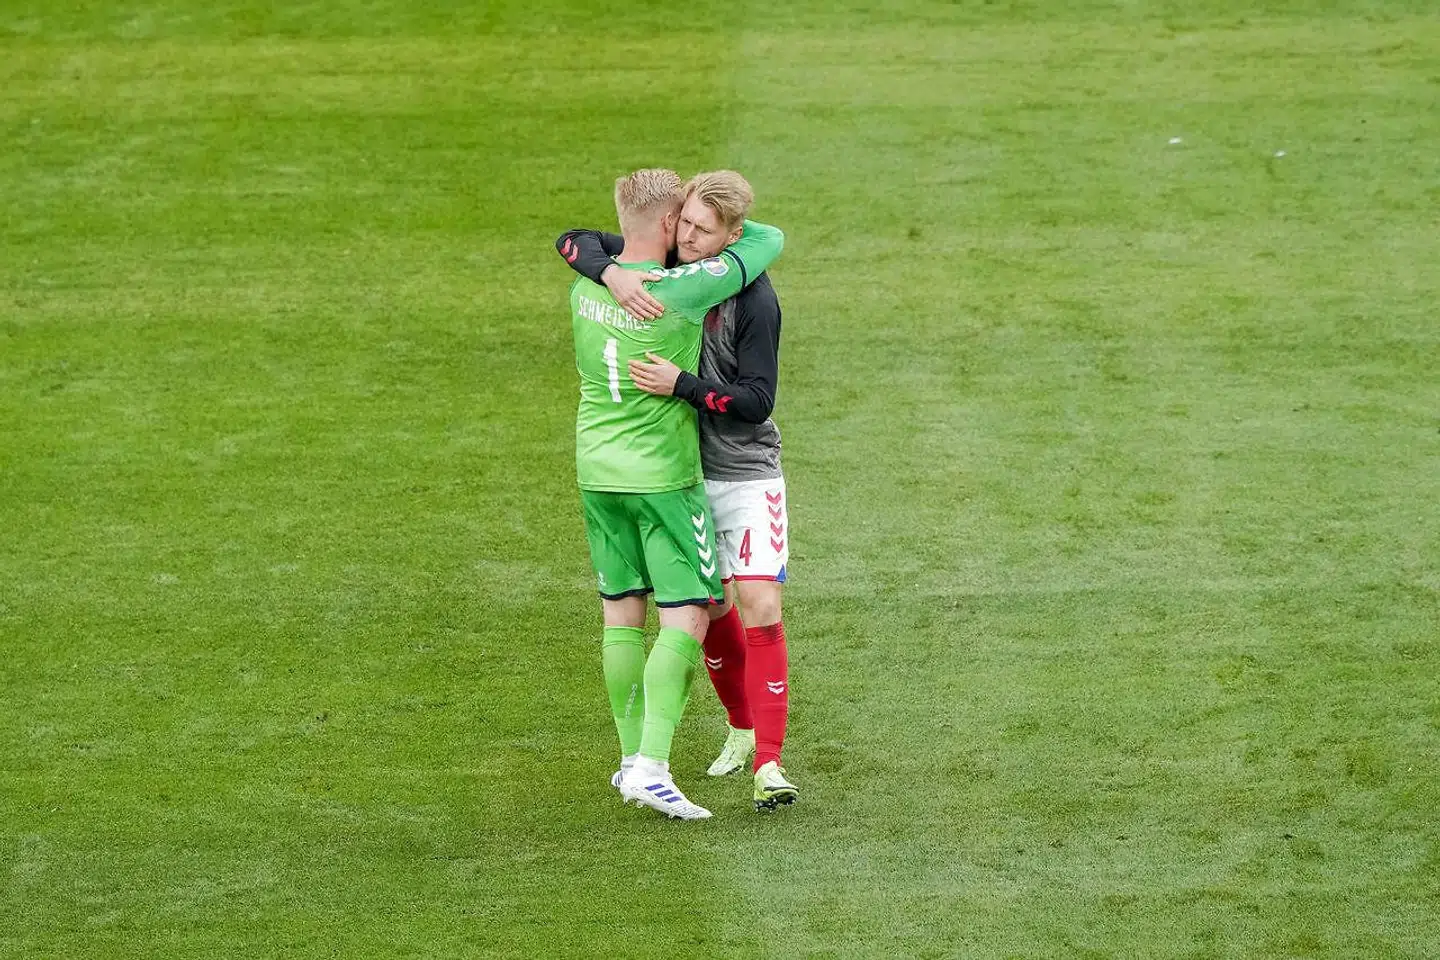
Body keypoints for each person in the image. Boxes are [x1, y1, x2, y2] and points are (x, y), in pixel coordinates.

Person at [557, 170, 798, 812]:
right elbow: (767, 239)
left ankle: (659, 758)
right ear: (669, 224)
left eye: (703, 228)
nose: (689, 237)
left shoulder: (593, 285)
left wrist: (605, 271)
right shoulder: (678, 285)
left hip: (620, 469)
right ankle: (656, 762)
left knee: (636, 610)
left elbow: (572, 240)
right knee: (694, 610)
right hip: (668, 476)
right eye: (683, 222)